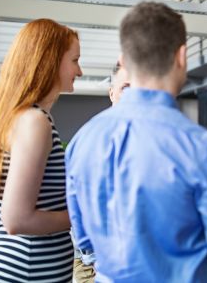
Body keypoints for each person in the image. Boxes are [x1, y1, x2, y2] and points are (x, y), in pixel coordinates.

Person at [65, 2, 207, 282]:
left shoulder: (82, 142)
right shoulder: (200, 146)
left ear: (124, 60)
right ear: (181, 56)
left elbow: (84, 239)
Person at [0, 19, 82, 282]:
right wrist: (84, 216)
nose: (79, 71)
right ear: (50, 61)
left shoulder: (28, 117)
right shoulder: (35, 122)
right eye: (75, 60)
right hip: (24, 273)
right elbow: (17, 220)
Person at [72, 61, 129, 283]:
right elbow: (80, 206)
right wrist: (95, 259)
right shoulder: (94, 139)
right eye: (125, 87)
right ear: (112, 93)